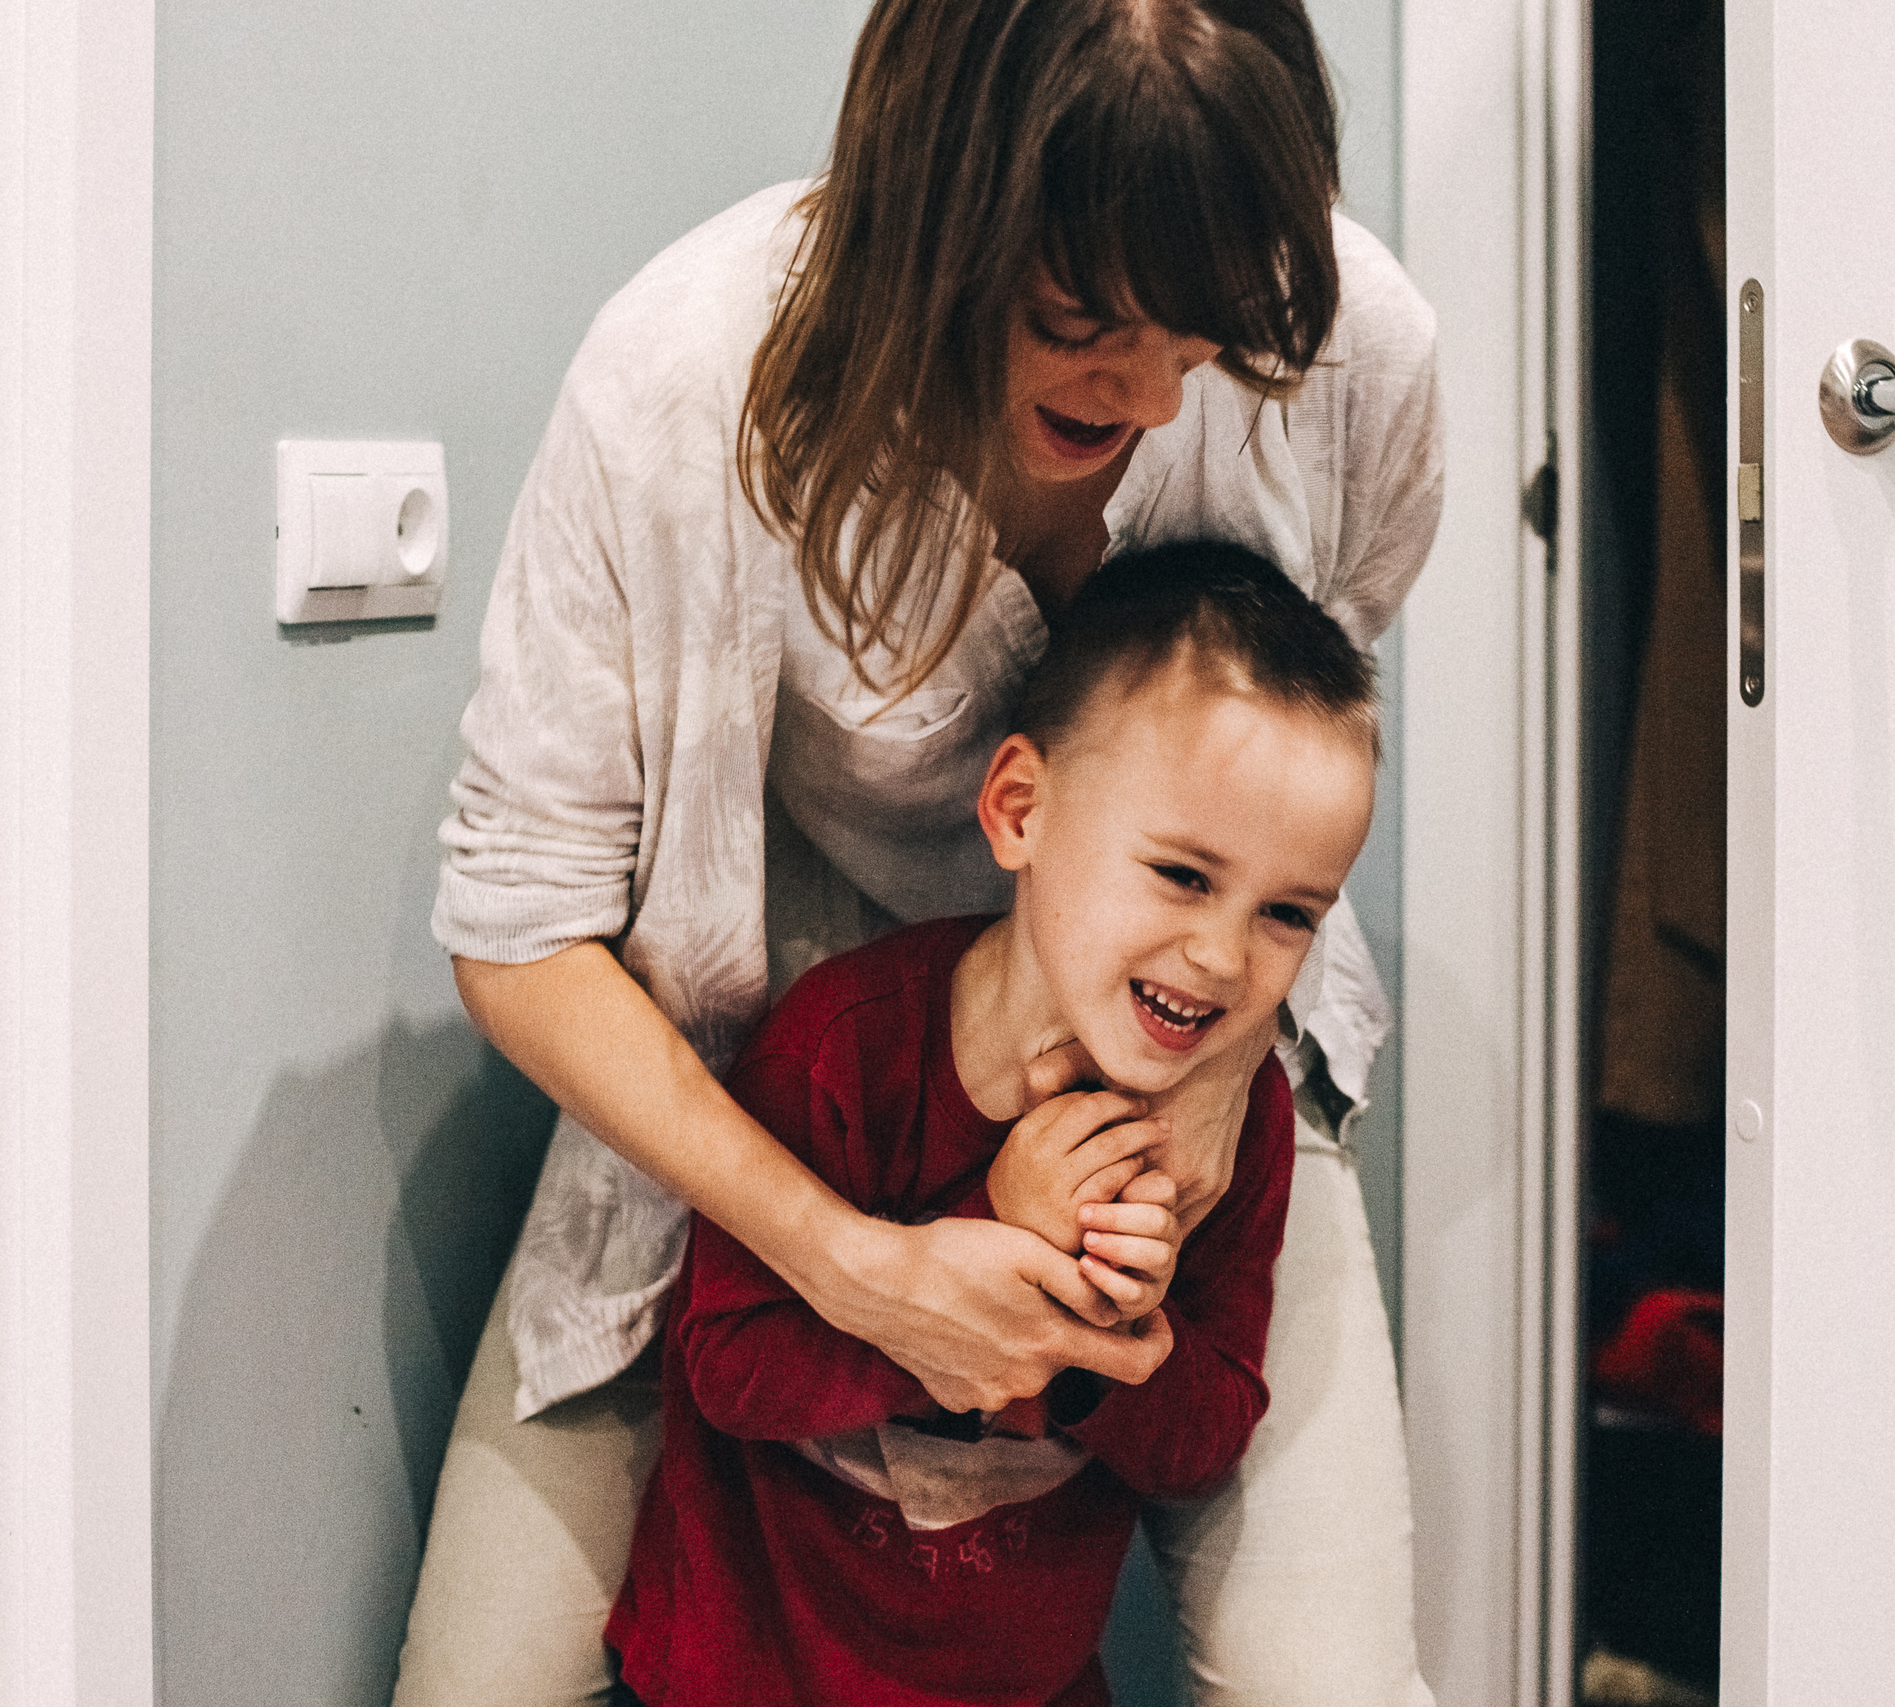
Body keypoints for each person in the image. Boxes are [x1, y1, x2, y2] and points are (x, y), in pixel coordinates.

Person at [395, 2, 1444, 1702]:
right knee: (482, 1671)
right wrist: (862, 1271)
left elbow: (1307, 742)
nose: (1157, 382)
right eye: (1080, 319)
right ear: (925, 221)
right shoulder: (688, 380)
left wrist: (1191, 1087)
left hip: (1197, 1042)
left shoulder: (1351, 339)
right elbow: (518, 927)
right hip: (784, 1074)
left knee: (1328, 1669)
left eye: (1210, 331)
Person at [605, 543, 1381, 1706]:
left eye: (1286, 913)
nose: (1223, 956)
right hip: (754, 1672)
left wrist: (1114, 1339)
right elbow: (726, 1369)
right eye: (1179, 874)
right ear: (1020, 810)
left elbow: (1203, 1437)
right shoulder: (844, 1048)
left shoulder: (1235, 1124)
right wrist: (992, 1233)